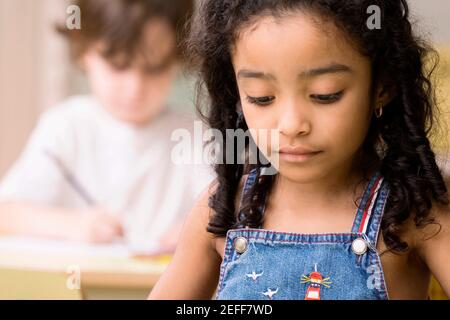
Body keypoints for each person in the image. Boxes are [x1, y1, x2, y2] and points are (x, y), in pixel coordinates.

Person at [149, 0, 450, 299]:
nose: (292, 125)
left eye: (325, 95)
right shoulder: (224, 209)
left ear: (382, 86)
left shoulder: (414, 211)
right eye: (262, 97)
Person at [0, 0, 213, 251]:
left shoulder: (195, 137)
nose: (135, 88)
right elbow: (6, 215)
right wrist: (72, 225)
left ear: (177, 57)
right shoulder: (66, 128)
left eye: (154, 69)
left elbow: (228, 214)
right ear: (83, 50)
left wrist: (199, 234)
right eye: (118, 66)